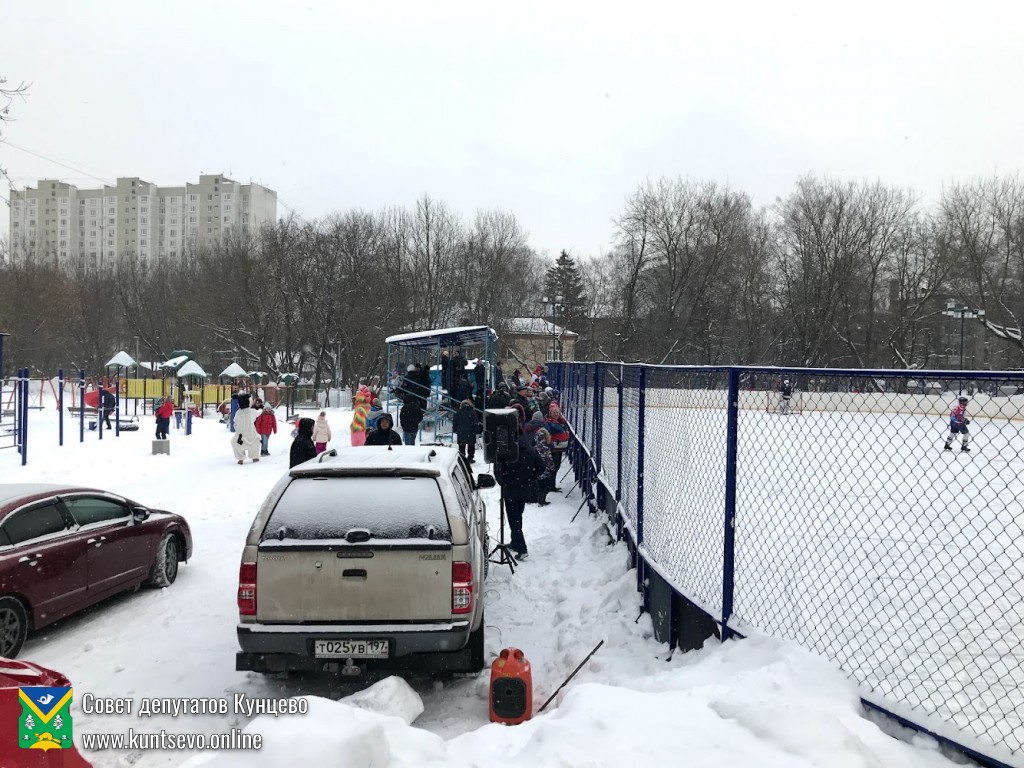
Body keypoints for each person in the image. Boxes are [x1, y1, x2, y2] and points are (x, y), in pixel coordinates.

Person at [495, 427, 545, 560]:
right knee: (518, 516)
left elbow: (498, 470)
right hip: (524, 489)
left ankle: (522, 549)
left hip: (510, 489)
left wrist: (503, 482)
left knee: (513, 520)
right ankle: (515, 543)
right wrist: (530, 478)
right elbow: (542, 467)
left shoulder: (506, 450)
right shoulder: (531, 449)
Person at [524, 411, 554, 505]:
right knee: (544, 484)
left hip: (531, 463)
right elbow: (548, 456)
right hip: (543, 464)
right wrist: (552, 467)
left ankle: (530, 498)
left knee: (533, 481)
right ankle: (541, 499)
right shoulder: (542, 432)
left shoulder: (527, 428)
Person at [230, 393, 261, 464]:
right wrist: (261, 409)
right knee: (256, 442)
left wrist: (237, 429)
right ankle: (254, 457)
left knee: (234, 443)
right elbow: (258, 413)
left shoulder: (238, 413)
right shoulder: (251, 411)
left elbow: (235, 423)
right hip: (251, 436)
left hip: (240, 438)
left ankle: (240, 458)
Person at [452, 398, 479, 463]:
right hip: (471, 431)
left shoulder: (458, 412)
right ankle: (470, 458)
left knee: (461, 446)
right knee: (471, 446)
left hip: (461, 431)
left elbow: (455, 421)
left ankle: (462, 459)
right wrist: (477, 431)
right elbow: (475, 422)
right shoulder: (472, 412)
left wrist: (455, 429)